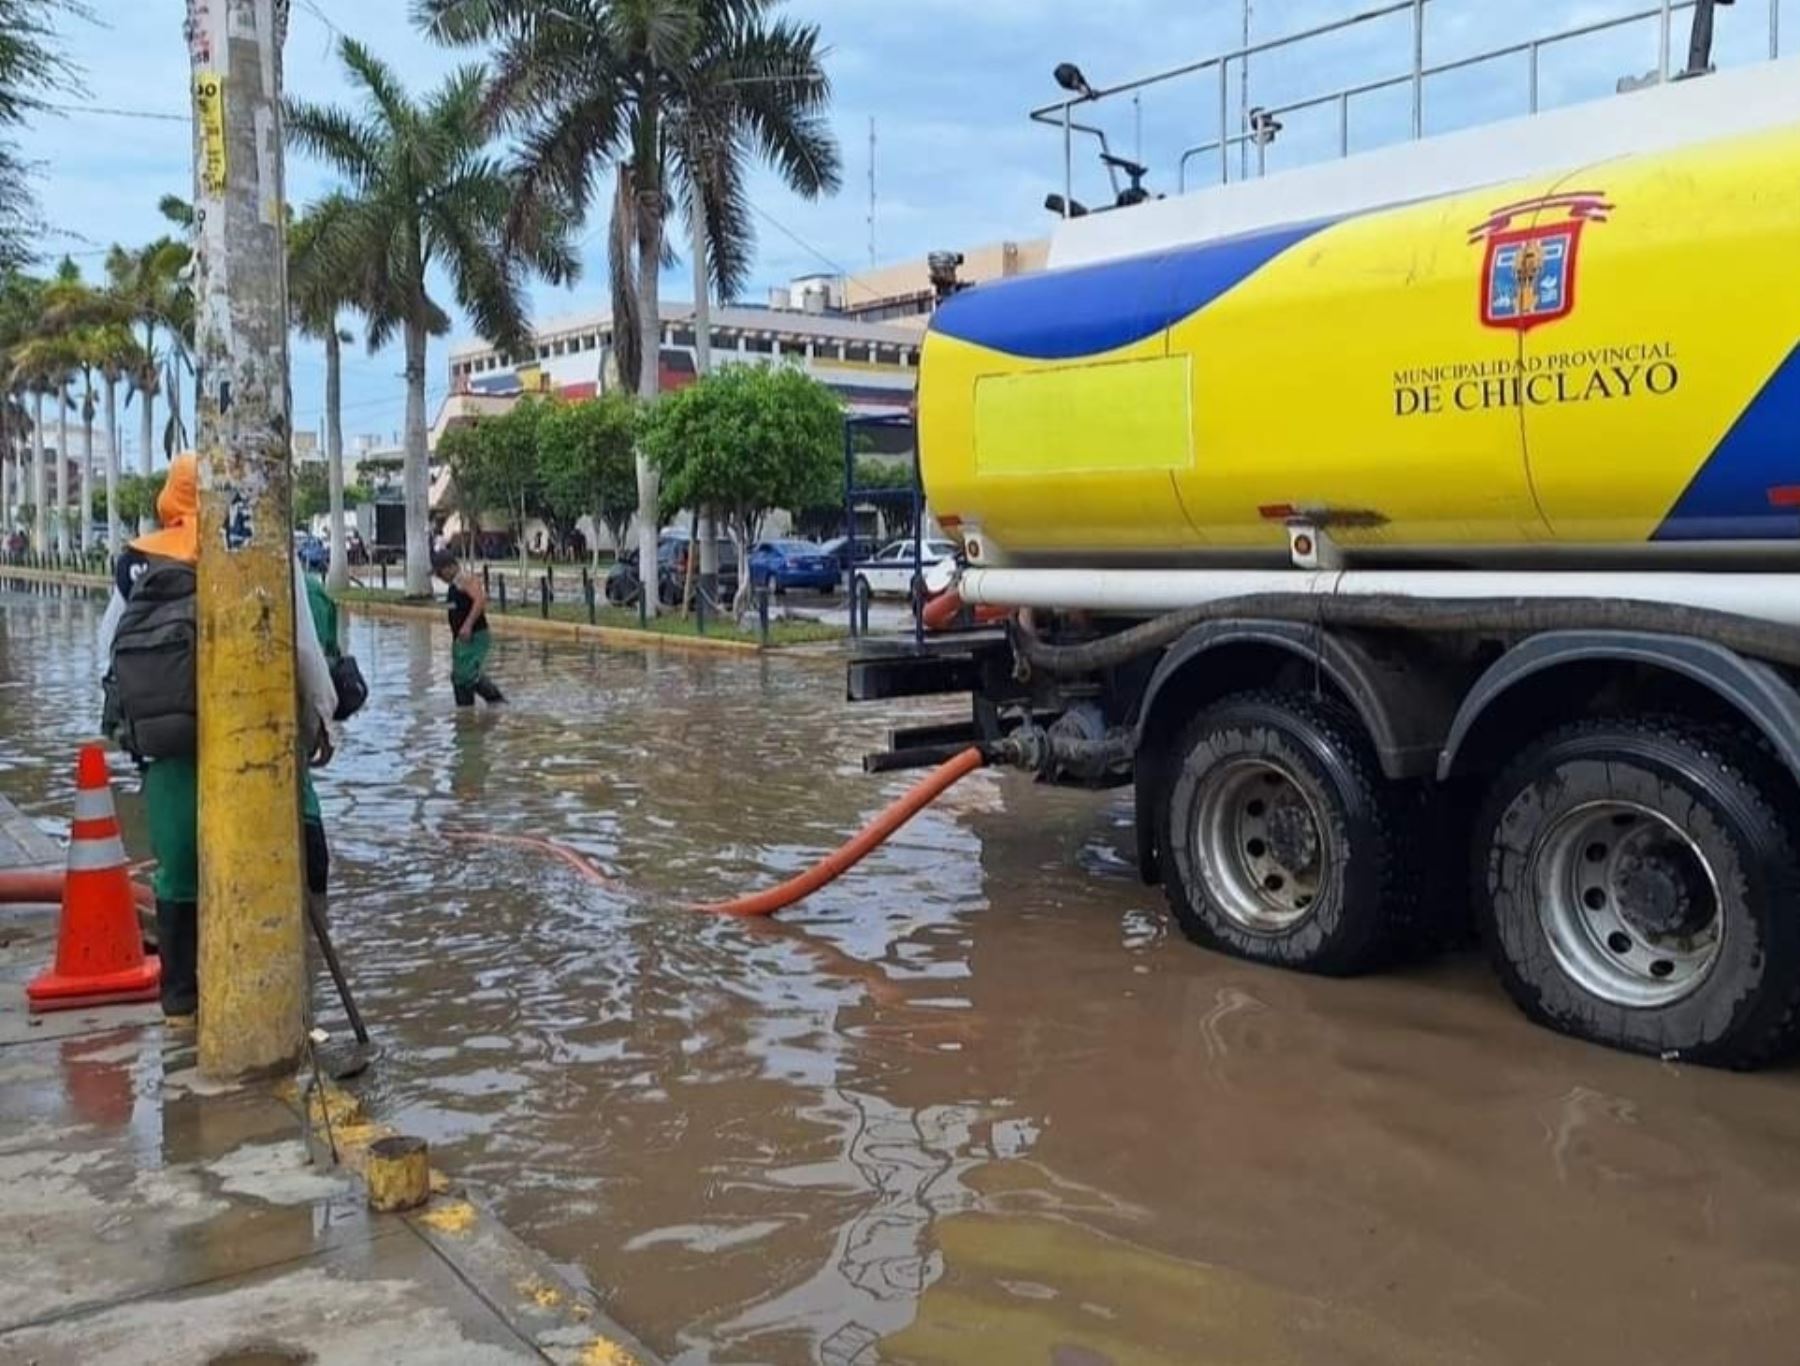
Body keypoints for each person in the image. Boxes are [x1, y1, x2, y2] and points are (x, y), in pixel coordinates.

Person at [98, 453, 337, 1019]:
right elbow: (302, 648)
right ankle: (284, 994)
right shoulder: (261, 548)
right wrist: (322, 719)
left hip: (168, 747)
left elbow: (109, 653)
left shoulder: (137, 562)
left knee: (178, 870)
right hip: (252, 740)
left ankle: (182, 1001)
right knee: (290, 858)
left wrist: (134, 731)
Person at [433, 547, 505, 707]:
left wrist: (468, 625)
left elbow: (480, 599)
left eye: (440, 573)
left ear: (451, 566)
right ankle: (465, 716)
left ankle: (497, 702)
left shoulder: (464, 579)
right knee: (459, 678)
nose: (439, 577)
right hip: (461, 640)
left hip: (474, 635)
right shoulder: (454, 584)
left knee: (467, 675)